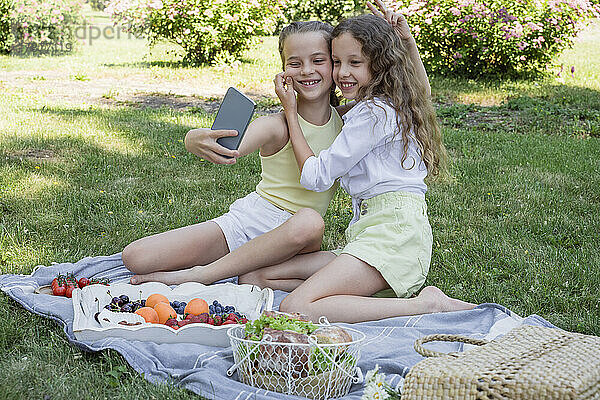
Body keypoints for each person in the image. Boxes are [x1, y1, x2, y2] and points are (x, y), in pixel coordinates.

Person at [124, 20, 350, 289]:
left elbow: (409, 95)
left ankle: (204, 274)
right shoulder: (274, 126)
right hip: (248, 224)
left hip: (298, 237)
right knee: (135, 257)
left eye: (318, 60)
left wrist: (404, 43)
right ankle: (242, 266)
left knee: (310, 221)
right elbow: (228, 147)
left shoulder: (349, 120)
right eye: (295, 62)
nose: (307, 70)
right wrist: (192, 138)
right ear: (283, 71)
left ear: (335, 64)